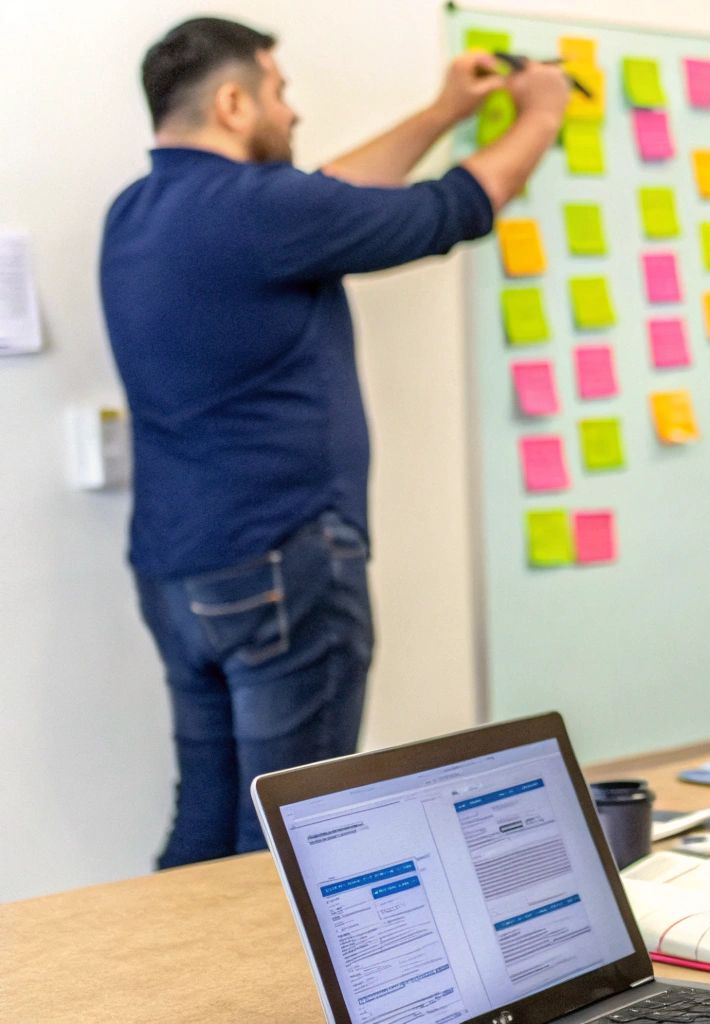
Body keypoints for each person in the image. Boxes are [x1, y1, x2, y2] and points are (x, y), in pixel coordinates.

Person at [101, 17, 567, 869]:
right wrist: (542, 112)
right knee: (294, 839)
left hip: (178, 570)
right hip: (282, 561)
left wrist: (441, 112)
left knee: (206, 821)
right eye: (279, 92)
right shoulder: (263, 211)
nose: (294, 111)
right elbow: (453, 208)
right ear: (233, 102)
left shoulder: (135, 213)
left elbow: (326, 195)